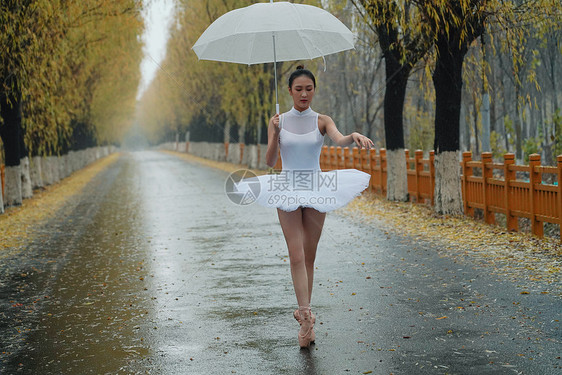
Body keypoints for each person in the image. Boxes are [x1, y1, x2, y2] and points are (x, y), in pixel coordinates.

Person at [248, 66, 374, 349]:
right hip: (287, 186)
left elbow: (338, 139)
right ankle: (305, 318)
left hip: (317, 187)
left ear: (314, 90)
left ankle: (305, 311)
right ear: (290, 91)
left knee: (308, 256)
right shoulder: (277, 121)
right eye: (298, 89)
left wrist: (352, 135)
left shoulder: (322, 120)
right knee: (295, 254)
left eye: (309, 89)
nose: (304, 94)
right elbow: (270, 161)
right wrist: (276, 133)